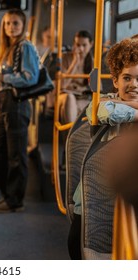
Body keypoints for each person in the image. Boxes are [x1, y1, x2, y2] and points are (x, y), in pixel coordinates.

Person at [68, 36, 138, 259]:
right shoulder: (104, 102)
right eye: (127, 77)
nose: (133, 84)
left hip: (131, 188)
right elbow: (105, 112)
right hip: (96, 189)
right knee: (76, 245)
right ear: (116, 81)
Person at [0, 8, 40, 213]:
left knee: (16, 154)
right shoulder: (7, 48)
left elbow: (30, 77)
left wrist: (2, 78)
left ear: (23, 25)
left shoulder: (24, 46)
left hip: (16, 103)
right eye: (7, 23)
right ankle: (7, 195)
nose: (11, 27)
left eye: (15, 23)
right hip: (3, 101)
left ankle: (15, 200)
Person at [59, 30, 94, 125]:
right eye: (78, 45)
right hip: (66, 95)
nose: (81, 49)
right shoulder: (66, 57)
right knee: (70, 98)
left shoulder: (92, 62)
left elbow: (96, 88)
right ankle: (71, 133)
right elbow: (63, 85)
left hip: (83, 96)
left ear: (91, 44)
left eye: (84, 45)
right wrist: (75, 62)